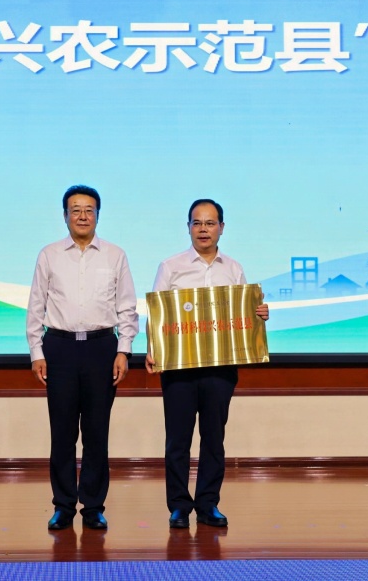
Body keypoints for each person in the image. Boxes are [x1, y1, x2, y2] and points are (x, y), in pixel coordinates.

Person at [147, 198, 269, 529]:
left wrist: (259, 313)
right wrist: (153, 349)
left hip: (220, 368)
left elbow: (245, 314)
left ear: (222, 228)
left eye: (210, 223)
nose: (204, 229)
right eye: (197, 223)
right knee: (178, 440)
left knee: (214, 438)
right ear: (188, 227)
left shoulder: (234, 269)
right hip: (179, 369)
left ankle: (208, 503)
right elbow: (157, 315)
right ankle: (178, 506)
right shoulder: (170, 267)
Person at [27, 185, 138, 532]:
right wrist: (36, 352)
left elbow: (127, 308)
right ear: (65, 216)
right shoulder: (49, 255)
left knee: (96, 432)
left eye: (89, 210)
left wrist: (123, 350)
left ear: (98, 215)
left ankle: (93, 506)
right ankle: (63, 506)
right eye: (75, 210)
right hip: (59, 348)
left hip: (101, 348)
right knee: (62, 433)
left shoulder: (115, 255)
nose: (82, 216)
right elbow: (36, 306)